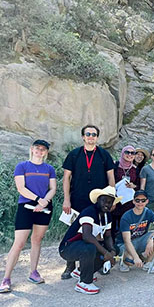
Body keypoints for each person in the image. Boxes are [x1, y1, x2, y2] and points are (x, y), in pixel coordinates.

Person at [0, 140, 56, 293]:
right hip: (26, 207)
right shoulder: (22, 166)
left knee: (37, 240)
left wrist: (44, 202)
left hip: (44, 208)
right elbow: (21, 188)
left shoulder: (49, 169)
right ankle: (6, 279)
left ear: (46, 152)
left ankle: (33, 272)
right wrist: (38, 200)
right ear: (32, 149)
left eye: (43, 149)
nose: (40, 151)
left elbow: (53, 188)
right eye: (37, 148)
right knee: (19, 243)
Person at [61, 125, 116, 280]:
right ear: (83, 137)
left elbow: (111, 177)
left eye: (94, 134)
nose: (91, 136)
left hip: (100, 202)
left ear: (97, 137)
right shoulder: (74, 155)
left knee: (98, 232)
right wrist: (66, 199)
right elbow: (66, 178)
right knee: (74, 233)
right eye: (88, 134)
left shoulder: (104, 155)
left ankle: (95, 263)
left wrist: (112, 198)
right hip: (77, 200)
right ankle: (70, 266)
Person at [58, 186, 120, 295]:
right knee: (90, 247)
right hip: (67, 248)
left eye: (110, 202)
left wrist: (112, 252)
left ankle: (82, 271)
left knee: (115, 248)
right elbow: (87, 236)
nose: (107, 204)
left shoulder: (107, 216)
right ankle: (84, 283)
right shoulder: (89, 212)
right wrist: (105, 253)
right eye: (104, 200)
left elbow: (108, 236)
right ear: (98, 200)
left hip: (82, 245)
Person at [117, 190, 154, 274]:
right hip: (125, 244)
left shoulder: (148, 212)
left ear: (147, 201)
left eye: (143, 200)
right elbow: (127, 241)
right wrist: (136, 257)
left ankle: (148, 263)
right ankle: (124, 262)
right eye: (137, 200)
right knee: (130, 261)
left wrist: (152, 239)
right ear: (133, 201)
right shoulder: (126, 216)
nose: (140, 202)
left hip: (140, 240)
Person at [111, 145, 139, 237]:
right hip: (115, 201)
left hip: (129, 202)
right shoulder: (114, 166)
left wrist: (133, 186)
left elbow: (138, 185)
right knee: (114, 226)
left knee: (127, 226)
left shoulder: (135, 169)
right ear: (123, 153)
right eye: (127, 152)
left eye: (133, 153)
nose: (130, 155)